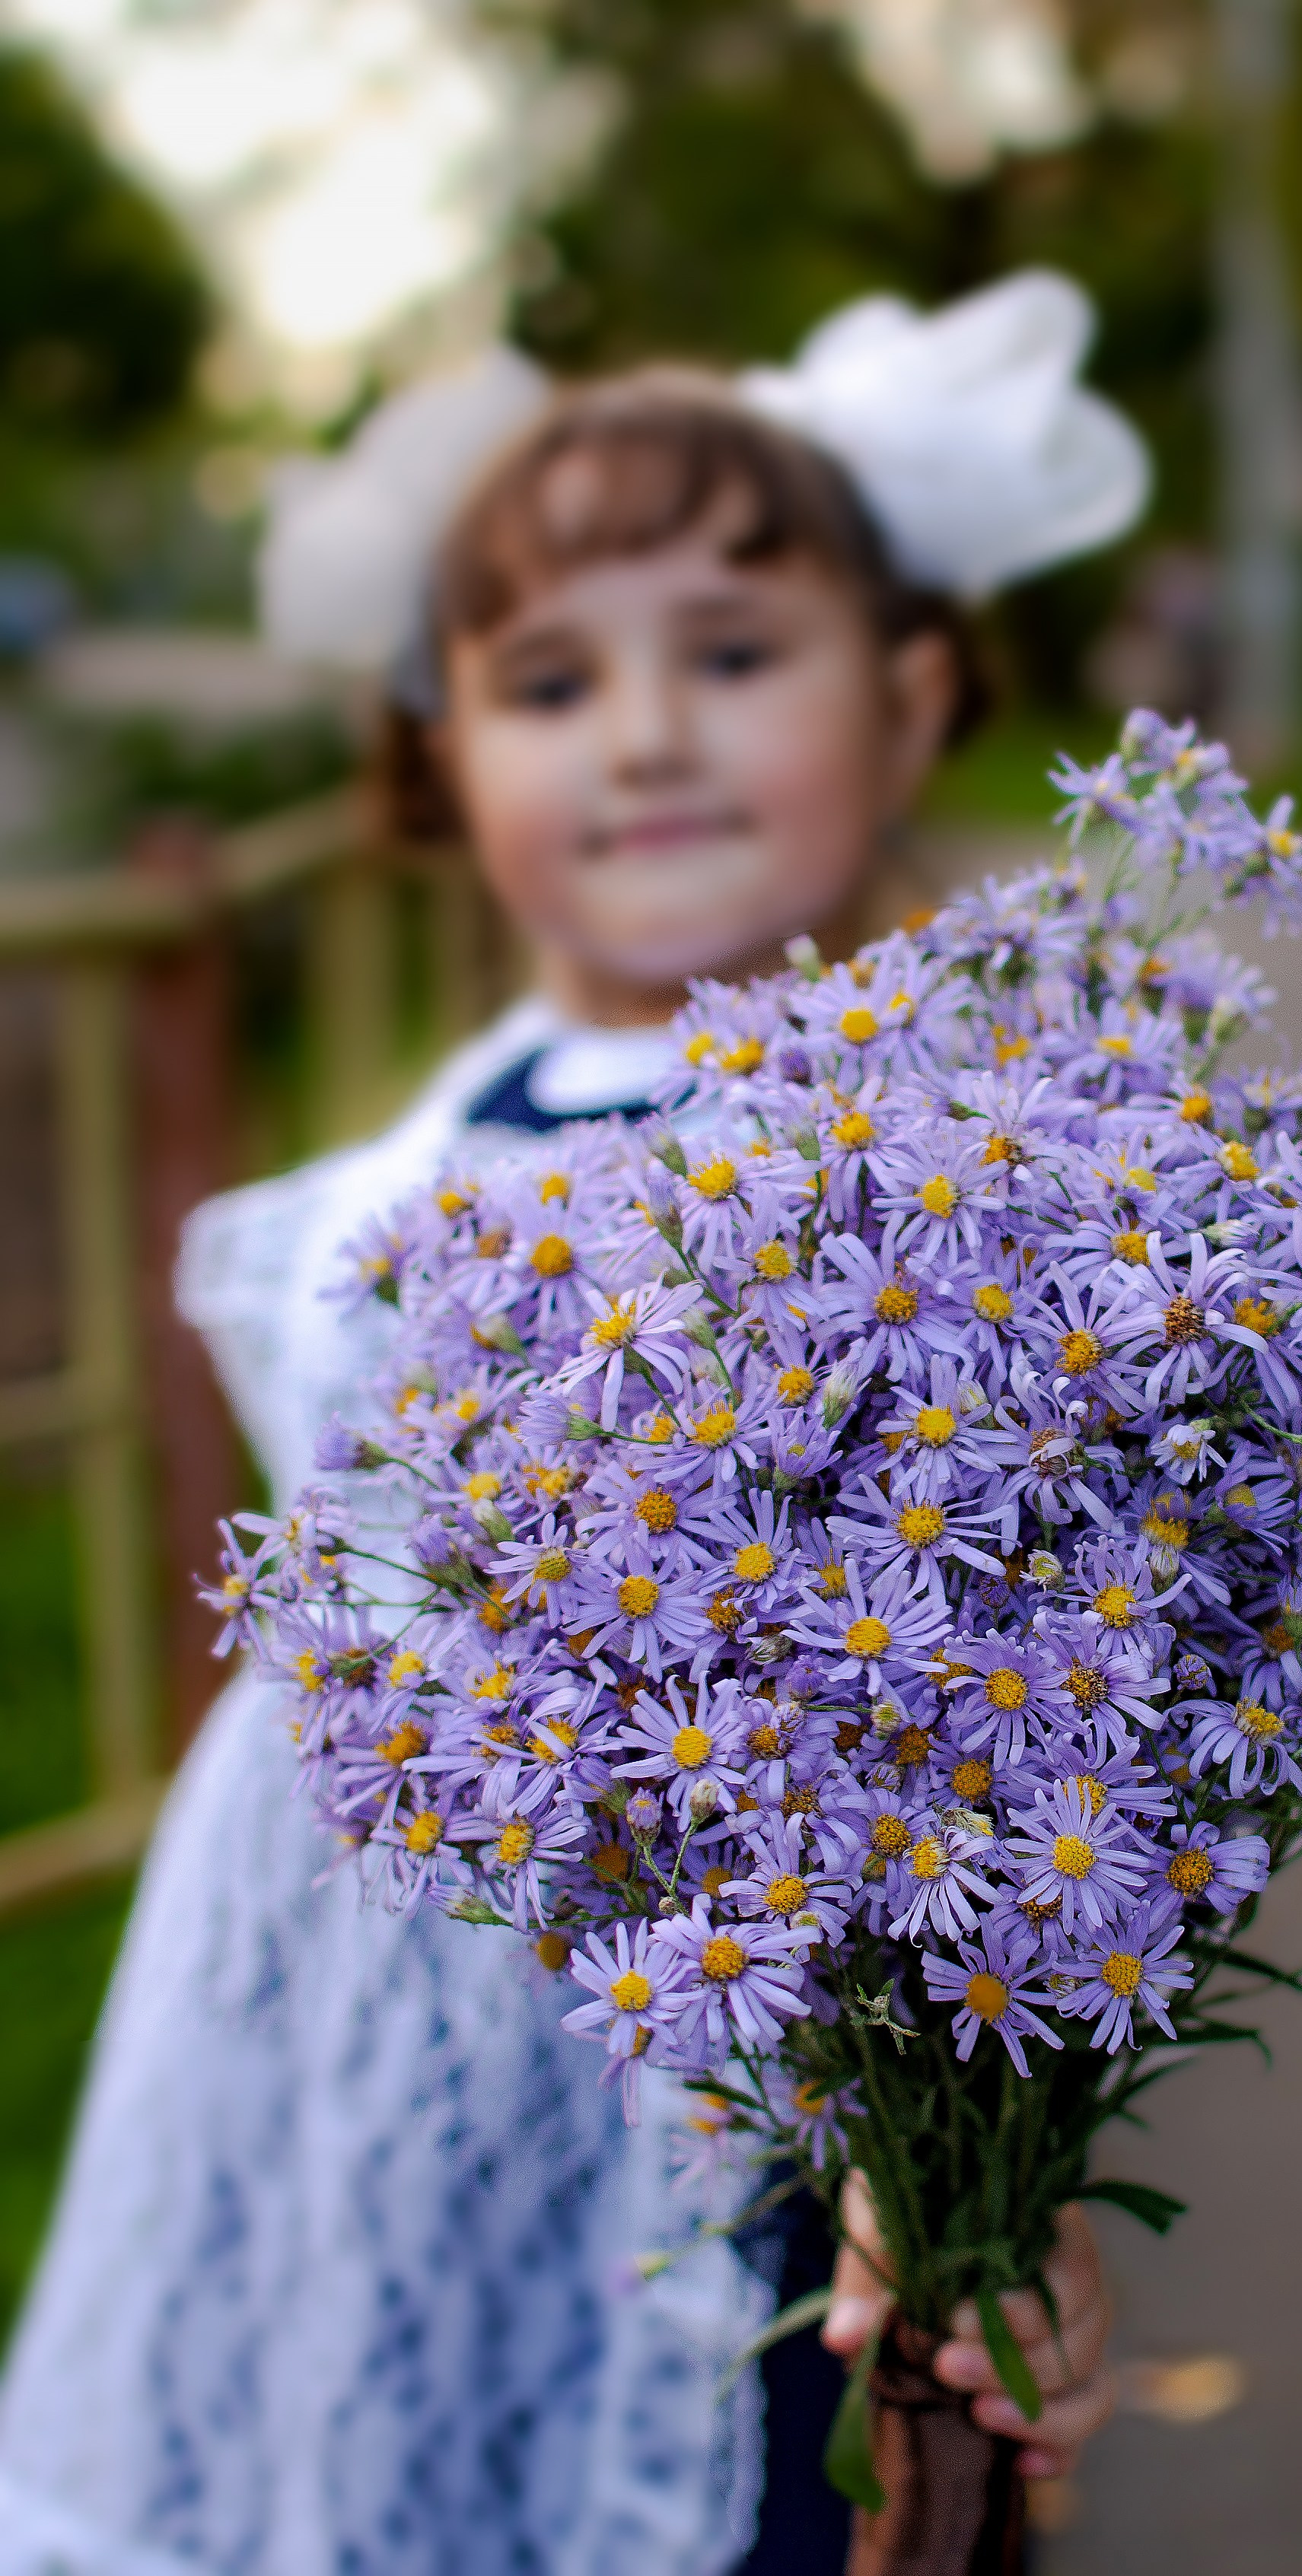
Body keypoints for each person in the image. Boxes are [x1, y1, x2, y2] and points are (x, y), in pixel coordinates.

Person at [0, 273, 1148, 2576]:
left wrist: (979, 2156)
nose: (644, 735)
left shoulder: (953, 1168)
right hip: (353, 2043)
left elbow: (1044, 1705)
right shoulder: (389, 1191)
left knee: (766, 2488)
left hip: (755, 2077)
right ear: (436, 761)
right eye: (547, 682)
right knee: (376, 2431)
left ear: (912, 690)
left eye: (732, 651)